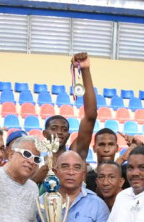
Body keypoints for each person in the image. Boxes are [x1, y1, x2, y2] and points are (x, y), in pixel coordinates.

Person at [32, 52, 97, 183]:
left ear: (68, 134)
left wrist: (85, 70)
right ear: (45, 133)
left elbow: (91, 116)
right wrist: (41, 173)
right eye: (54, 128)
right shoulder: (36, 163)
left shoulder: (76, 153)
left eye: (64, 129)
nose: (59, 132)